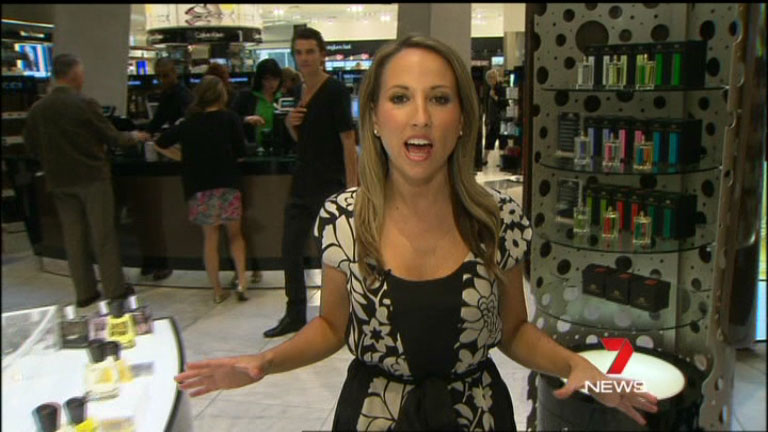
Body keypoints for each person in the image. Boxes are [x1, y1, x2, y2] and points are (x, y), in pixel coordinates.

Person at [174, 36, 658, 430]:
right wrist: (265, 363)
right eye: (400, 97)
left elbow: (513, 331)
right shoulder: (344, 218)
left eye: (439, 99)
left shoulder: (498, 219)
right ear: (375, 118)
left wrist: (575, 365)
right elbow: (331, 327)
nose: (420, 116)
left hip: (477, 417)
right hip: (373, 415)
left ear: (462, 119)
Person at [23, 53, 145, 307]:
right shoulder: (84, 103)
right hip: (92, 177)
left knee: (74, 237)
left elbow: (31, 146)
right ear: (75, 74)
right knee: (103, 235)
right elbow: (113, 138)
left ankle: (85, 292)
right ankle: (114, 288)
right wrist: (136, 136)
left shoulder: (38, 109)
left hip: (59, 180)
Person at [262, 27, 359, 338]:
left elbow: (348, 141)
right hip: (302, 182)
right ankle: (294, 313)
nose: (304, 58)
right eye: (299, 52)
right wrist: (290, 125)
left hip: (330, 184)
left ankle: (342, 314)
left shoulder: (335, 91)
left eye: (310, 52)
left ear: (322, 55)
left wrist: (352, 191)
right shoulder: (297, 92)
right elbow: (302, 139)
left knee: (332, 253)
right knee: (290, 247)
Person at [154, 76, 249, 304]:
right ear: (221, 95)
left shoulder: (189, 123)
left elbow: (159, 142)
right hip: (228, 184)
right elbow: (241, 152)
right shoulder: (230, 118)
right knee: (235, 236)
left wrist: (181, 157)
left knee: (210, 239)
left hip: (199, 188)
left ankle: (217, 290)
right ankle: (242, 282)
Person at [139, 56, 194, 281]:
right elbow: (159, 121)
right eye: (160, 76)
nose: (163, 80)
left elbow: (177, 125)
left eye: (166, 75)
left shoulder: (183, 96)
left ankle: (163, 260)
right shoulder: (171, 95)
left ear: (174, 73)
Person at [233, 58, 283, 149]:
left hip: (280, 149)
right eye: (267, 79)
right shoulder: (246, 97)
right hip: (251, 148)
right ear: (260, 79)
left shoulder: (283, 98)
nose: (271, 83)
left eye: (275, 79)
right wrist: (246, 119)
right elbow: (231, 118)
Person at [482, 68, 508, 166]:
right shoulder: (489, 89)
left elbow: (505, 103)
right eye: (489, 78)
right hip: (492, 119)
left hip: (499, 119)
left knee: (502, 140)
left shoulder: (500, 88)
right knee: (490, 139)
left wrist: (495, 97)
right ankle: (484, 159)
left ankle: (503, 161)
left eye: (492, 77)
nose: (490, 80)